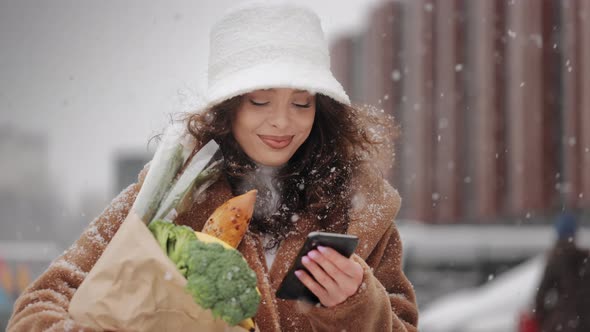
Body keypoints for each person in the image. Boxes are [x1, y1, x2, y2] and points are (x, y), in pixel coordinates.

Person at [7, 2, 418, 331]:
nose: (282, 121)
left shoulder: (363, 212)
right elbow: (37, 307)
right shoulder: (168, 196)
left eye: (301, 102)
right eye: (260, 101)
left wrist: (358, 306)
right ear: (227, 109)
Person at [534, 213, 590, 332]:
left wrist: (548, 318)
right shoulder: (585, 259)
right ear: (575, 234)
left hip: (563, 324)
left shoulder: (555, 260)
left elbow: (540, 297)